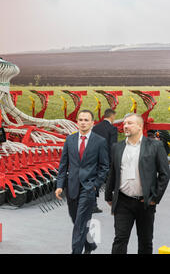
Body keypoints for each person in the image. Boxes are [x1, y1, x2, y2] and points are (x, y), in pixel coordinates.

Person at [105, 113, 169, 254]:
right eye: (124, 123)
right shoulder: (117, 147)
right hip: (122, 201)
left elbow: (165, 174)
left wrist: (154, 198)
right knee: (120, 240)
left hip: (145, 202)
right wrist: (108, 195)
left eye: (130, 123)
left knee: (145, 242)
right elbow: (113, 172)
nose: (125, 126)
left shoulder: (155, 146)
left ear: (140, 126)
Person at [55, 109, 110, 254]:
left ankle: (76, 251)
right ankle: (90, 244)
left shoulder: (100, 141)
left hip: (89, 187)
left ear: (92, 123)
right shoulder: (70, 140)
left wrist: (95, 185)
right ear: (77, 122)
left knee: (79, 223)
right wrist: (59, 185)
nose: (83, 123)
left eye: (86, 120)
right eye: (81, 120)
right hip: (71, 187)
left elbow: (104, 166)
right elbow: (63, 164)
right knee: (76, 219)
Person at [91, 108, 118, 213]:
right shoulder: (112, 129)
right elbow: (113, 146)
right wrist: (113, 161)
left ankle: (93, 205)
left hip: (95, 158)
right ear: (111, 116)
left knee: (96, 180)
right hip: (107, 160)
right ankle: (115, 204)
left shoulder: (95, 128)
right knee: (113, 182)